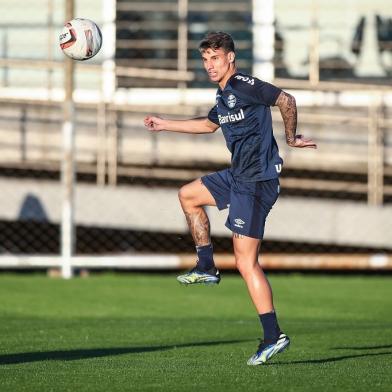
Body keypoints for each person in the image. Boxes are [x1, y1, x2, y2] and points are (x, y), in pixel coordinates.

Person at [144, 32, 316, 365]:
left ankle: (273, 335)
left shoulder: (244, 85)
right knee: (188, 195)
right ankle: (207, 265)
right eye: (205, 59)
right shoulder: (223, 96)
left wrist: (291, 139)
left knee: (245, 262)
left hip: (255, 183)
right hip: (237, 176)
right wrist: (165, 124)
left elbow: (286, 100)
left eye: (215, 58)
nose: (209, 65)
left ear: (231, 58)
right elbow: (209, 126)